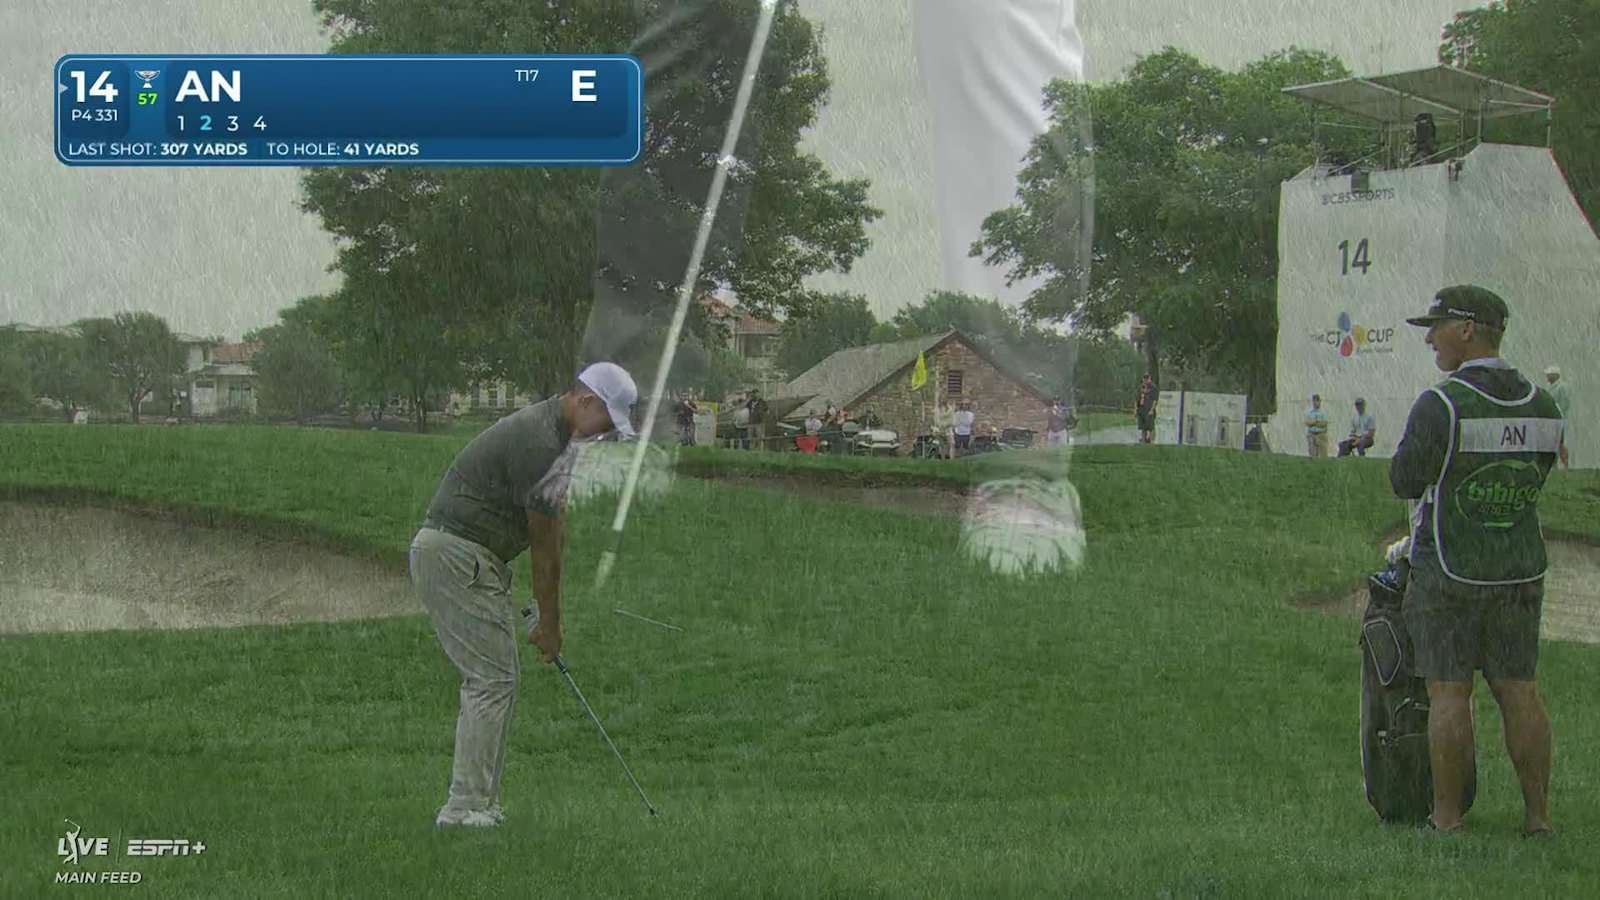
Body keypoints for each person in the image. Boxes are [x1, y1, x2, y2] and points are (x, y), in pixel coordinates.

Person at [410, 362, 639, 828]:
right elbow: (544, 548)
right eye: (607, 422)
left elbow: (557, 524)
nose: (607, 434)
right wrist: (550, 624)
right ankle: (464, 808)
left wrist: (544, 613)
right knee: (491, 680)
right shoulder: (540, 444)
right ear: (586, 401)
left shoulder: (557, 438)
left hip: (467, 556)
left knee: (498, 679)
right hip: (456, 554)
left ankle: (481, 805)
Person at [1390, 285, 1562, 835]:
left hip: (1450, 569)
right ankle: (1538, 817)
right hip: (1518, 569)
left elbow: (1405, 480)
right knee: (1519, 690)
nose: (1429, 340)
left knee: (1449, 692)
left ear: (1466, 330)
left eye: (1436, 327)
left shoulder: (1440, 404)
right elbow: (1535, 475)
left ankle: (1446, 818)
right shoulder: (1543, 405)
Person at [1544, 366, 1571, 469]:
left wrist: (1558, 415)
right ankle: (1553, 465)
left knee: (1560, 444)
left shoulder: (1562, 387)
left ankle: (1565, 465)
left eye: (1549, 375)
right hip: (1551, 421)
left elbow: (1564, 404)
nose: (1547, 377)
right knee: (1552, 444)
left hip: (1559, 421)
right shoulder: (1549, 387)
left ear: (1555, 375)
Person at [1135, 375, 1158, 444]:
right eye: (1144, 379)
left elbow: (1155, 400)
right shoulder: (1140, 388)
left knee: (1150, 427)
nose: (1145, 380)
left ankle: (1151, 440)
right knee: (1143, 427)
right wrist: (1136, 409)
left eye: (1147, 379)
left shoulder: (1153, 388)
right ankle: (1143, 440)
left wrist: (1152, 410)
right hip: (1141, 410)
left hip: (1149, 409)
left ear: (1150, 379)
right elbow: (1137, 399)